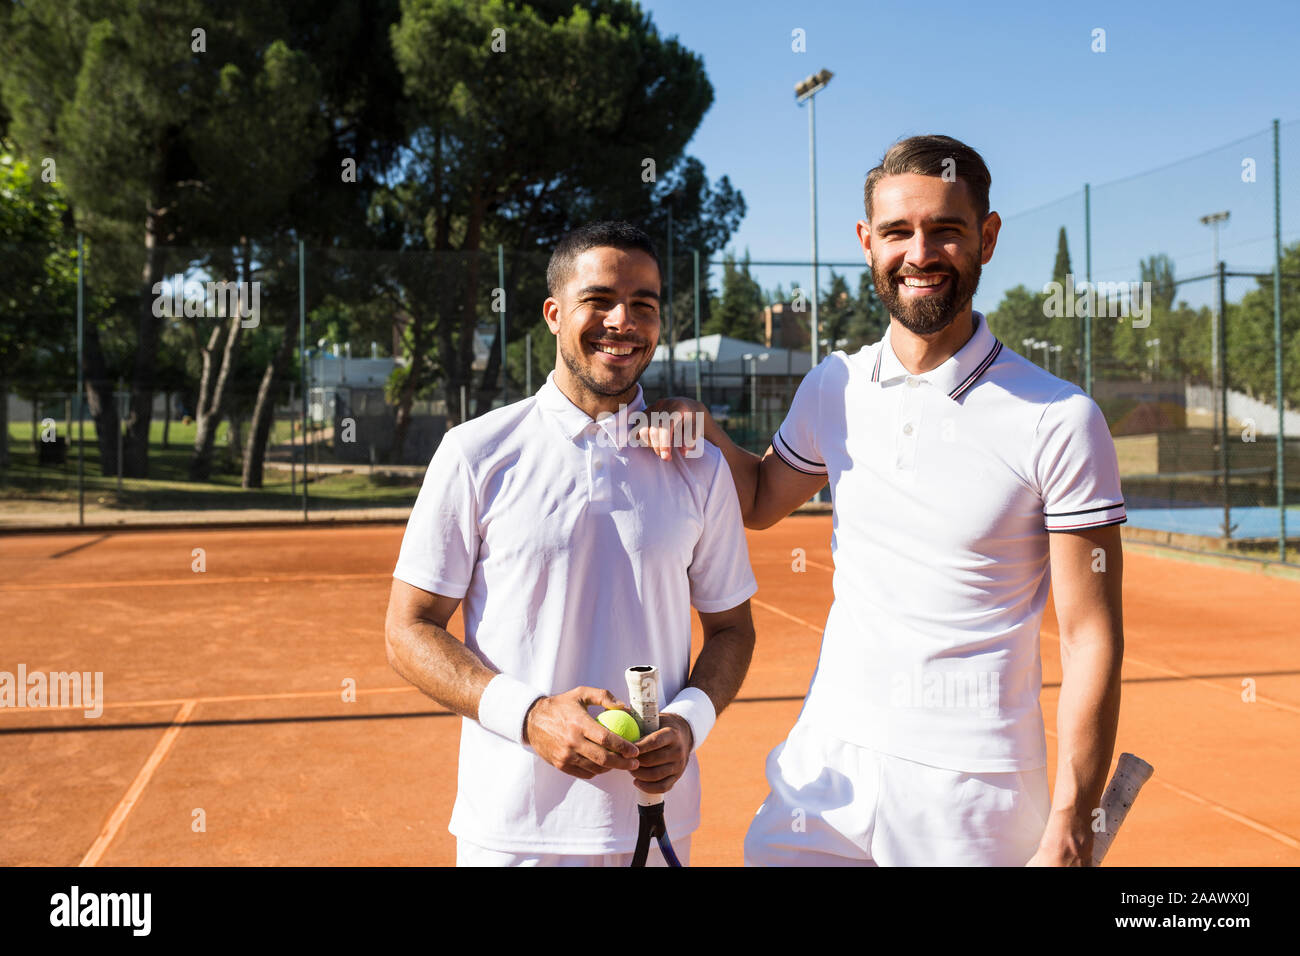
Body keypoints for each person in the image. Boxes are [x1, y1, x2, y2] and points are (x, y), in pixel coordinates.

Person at [640, 135, 1126, 866]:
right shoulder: (832, 385)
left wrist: (1074, 812)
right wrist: (706, 430)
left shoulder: (1060, 417)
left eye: (947, 230)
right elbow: (763, 498)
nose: (920, 252)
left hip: (974, 795)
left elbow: (1092, 638)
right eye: (898, 231)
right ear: (868, 243)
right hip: (824, 767)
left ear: (986, 239)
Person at [385, 220, 758, 866]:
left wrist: (688, 721)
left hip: (656, 823)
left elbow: (733, 629)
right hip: (511, 833)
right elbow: (407, 630)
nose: (623, 320)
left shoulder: (697, 462)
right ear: (554, 315)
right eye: (600, 300)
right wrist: (529, 716)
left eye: (644, 304)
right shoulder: (475, 454)